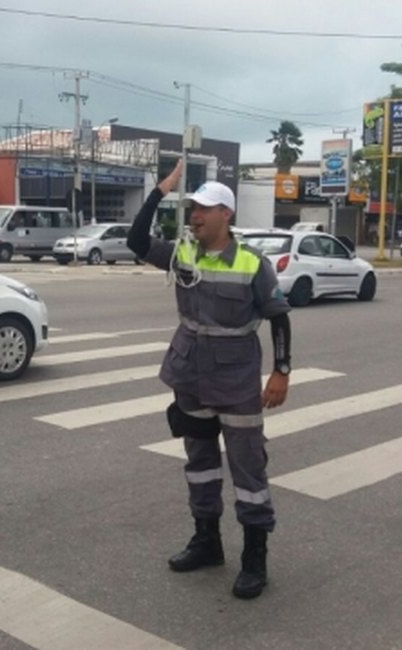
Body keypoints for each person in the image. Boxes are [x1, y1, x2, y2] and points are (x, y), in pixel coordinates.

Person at [126, 160, 292, 600]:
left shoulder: (252, 263)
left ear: (226, 215)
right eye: (193, 208)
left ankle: (255, 556)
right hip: (190, 377)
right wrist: (160, 191)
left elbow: (278, 317)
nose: (195, 215)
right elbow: (135, 241)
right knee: (199, 464)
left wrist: (281, 371)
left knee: (248, 471)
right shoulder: (182, 253)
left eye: (204, 209)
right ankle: (207, 541)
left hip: (236, 382)